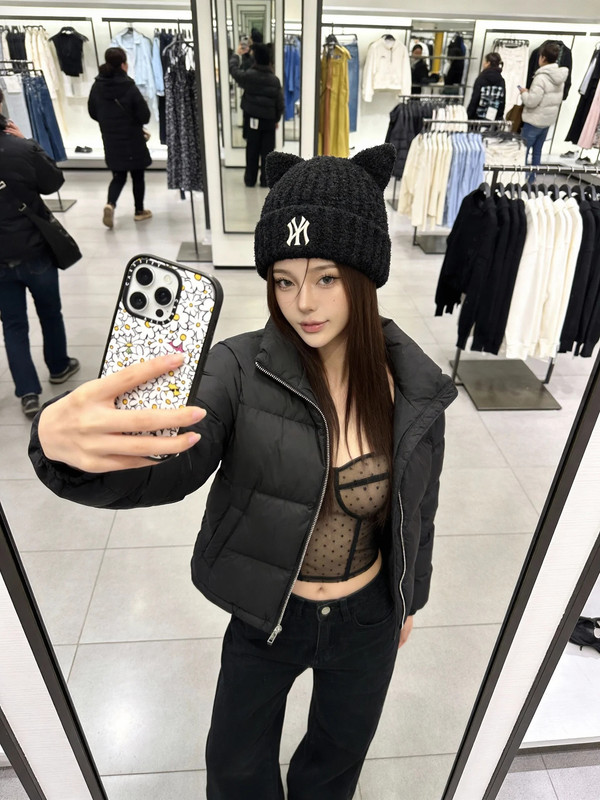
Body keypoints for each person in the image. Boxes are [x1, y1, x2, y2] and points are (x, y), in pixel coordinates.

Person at [29, 144, 457, 799]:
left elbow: (420, 509)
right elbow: (165, 469)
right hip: (268, 615)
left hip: (368, 618)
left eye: (326, 278)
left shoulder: (415, 386)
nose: (303, 303)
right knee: (234, 766)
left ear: (365, 276)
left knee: (338, 760)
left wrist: (410, 597)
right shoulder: (237, 368)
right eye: (284, 280)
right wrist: (65, 449)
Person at [0, 87, 80, 420]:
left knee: (13, 325)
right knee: (50, 312)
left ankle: (28, 393)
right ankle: (59, 367)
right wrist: (29, 143)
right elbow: (53, 182)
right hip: (34, 249)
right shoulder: (20, 148)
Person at [88, 47, 153, 228]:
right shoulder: (129, 86)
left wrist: (107, 122)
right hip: (133, 138)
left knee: (118, 176)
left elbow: (92, 111)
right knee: (138, 176)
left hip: (111, 139)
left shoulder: (97, 86)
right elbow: (144, 116)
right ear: (124, 64)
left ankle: (110, 204)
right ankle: (139, 211)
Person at [229, 42, 284, 187]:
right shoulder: (274, 80)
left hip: (252, 119)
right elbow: (280, 103)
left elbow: (234, 71)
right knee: (267, 152)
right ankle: (265, 180)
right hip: (269, 121)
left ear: (256, 59)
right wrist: (276, 119)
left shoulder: (249, 76)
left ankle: (250, 179)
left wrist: (236, 55)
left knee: (252, 150)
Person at [519, 42, 569, 182]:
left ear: (543, 58)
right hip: (547, 121)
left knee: (523, 151)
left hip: (533, 120)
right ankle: (532, 178)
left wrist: (524, 93)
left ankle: (521, 179)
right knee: (537, 152)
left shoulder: (541, 77)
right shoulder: (560, 77)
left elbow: (531, 102)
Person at [466, 52, 506, 120]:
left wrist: (469, 116)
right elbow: (502, 101)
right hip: (494, 118)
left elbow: (475, 99)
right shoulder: (501, 80)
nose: (483, 64)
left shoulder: (481, 78)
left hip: (478, 117)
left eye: (484, 61)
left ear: (488, 63)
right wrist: (499, 117)